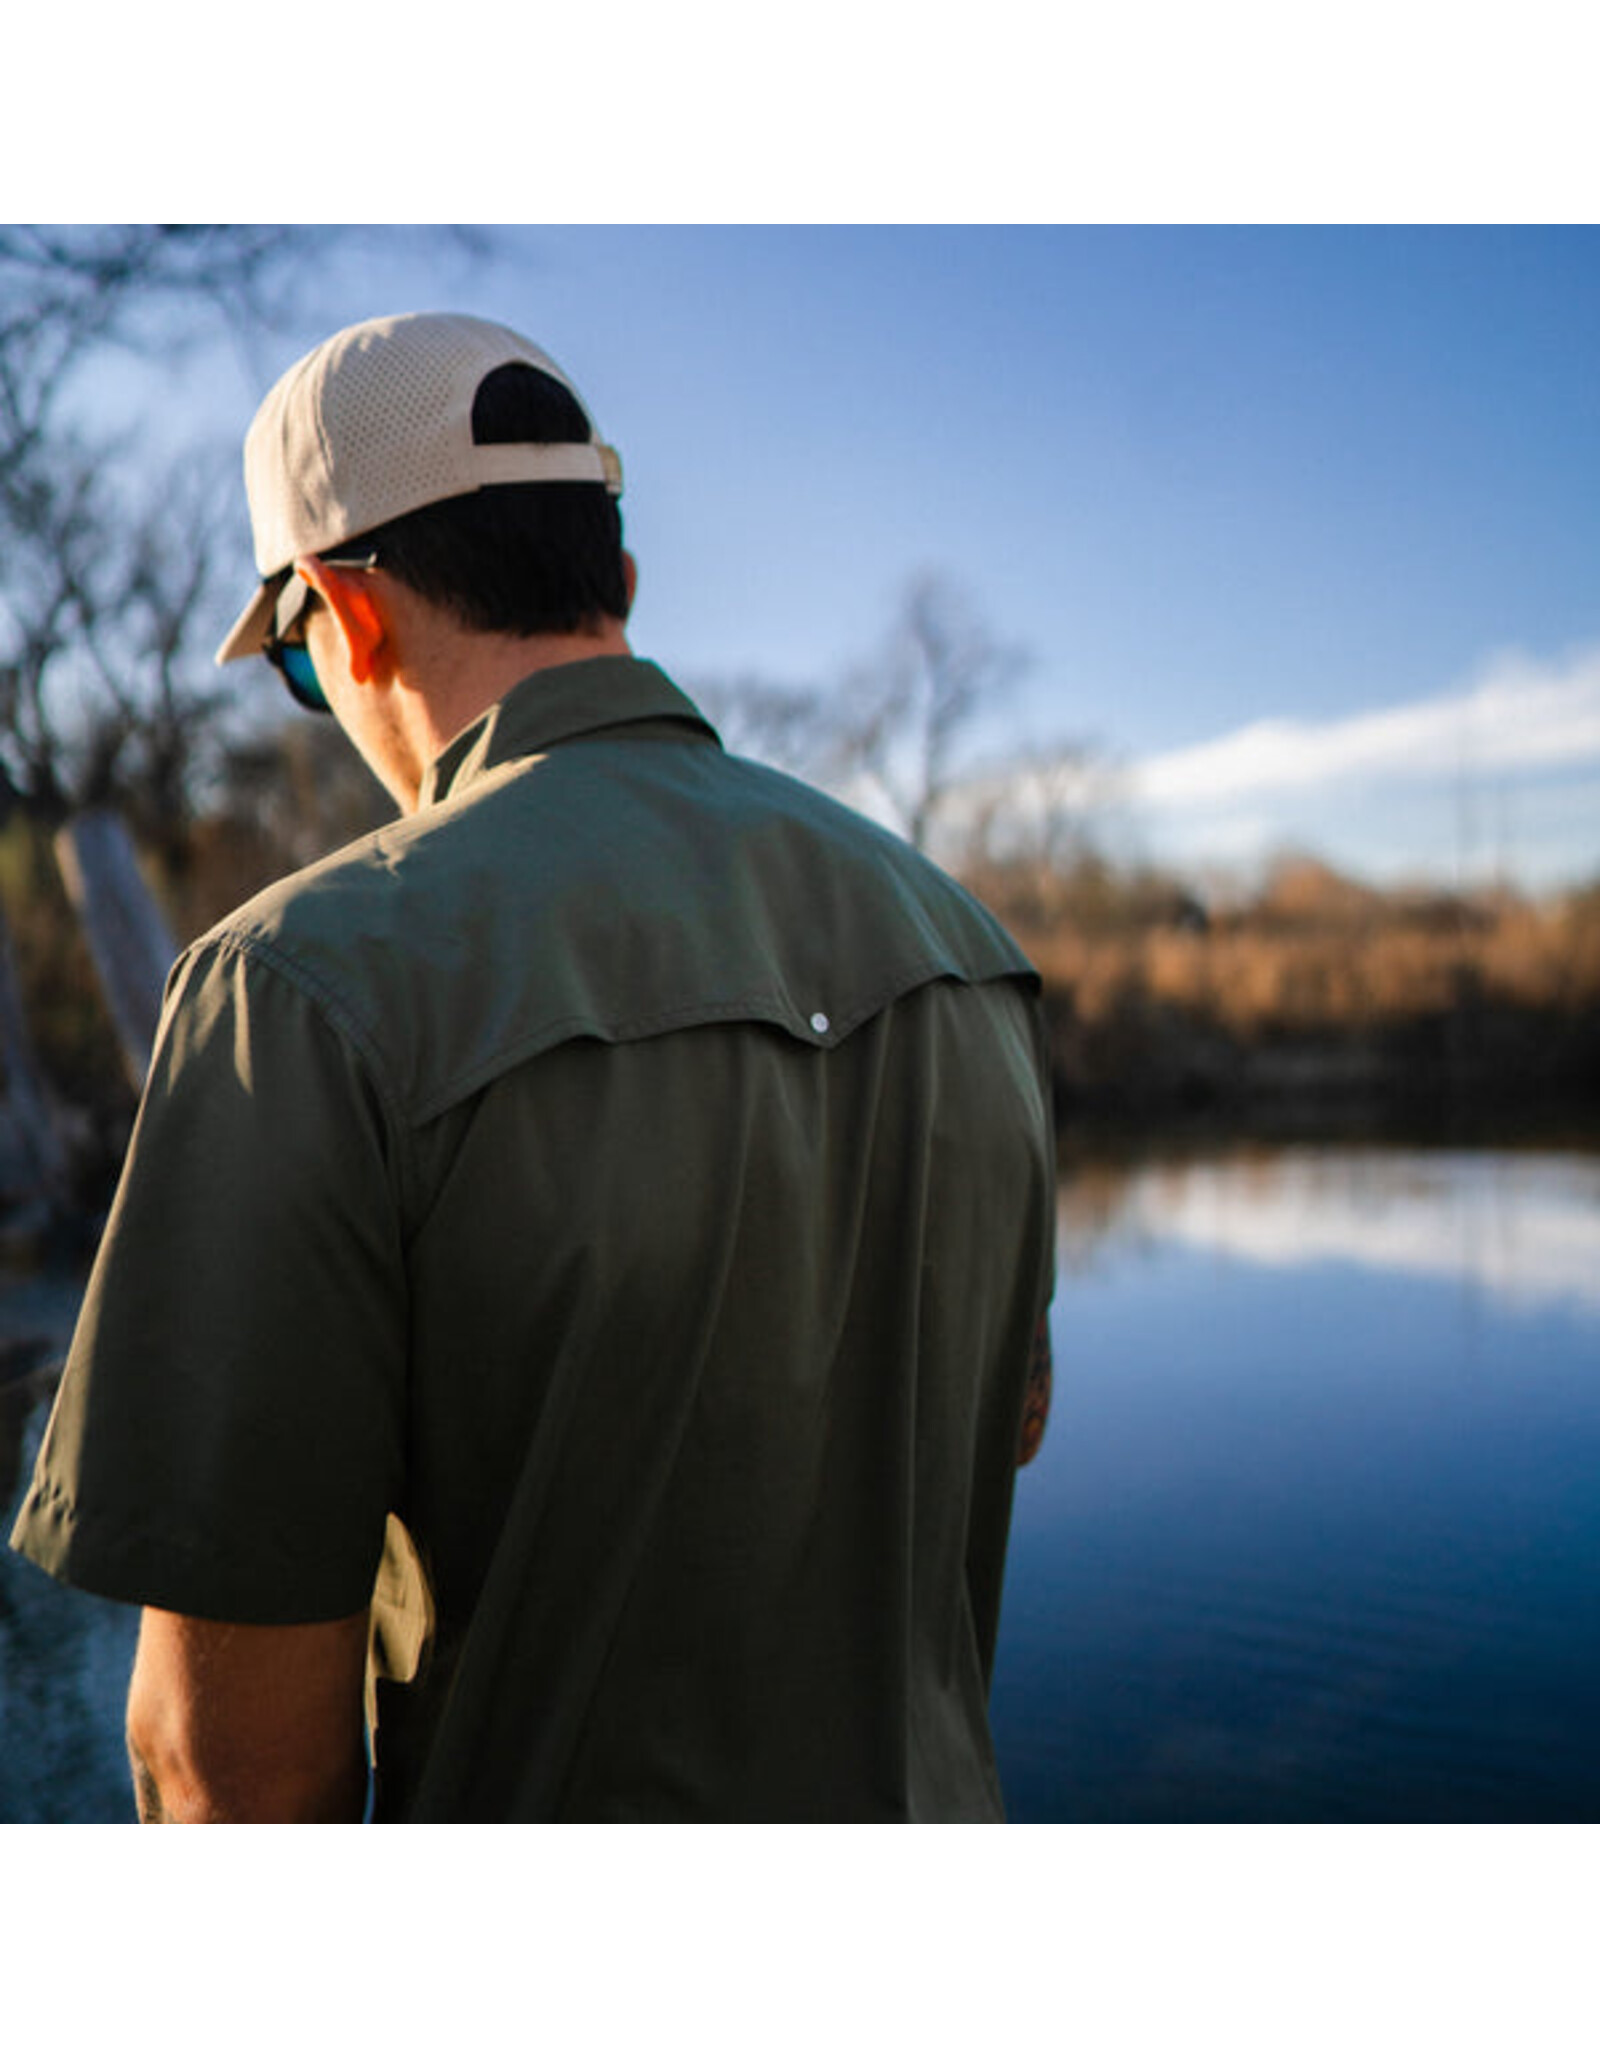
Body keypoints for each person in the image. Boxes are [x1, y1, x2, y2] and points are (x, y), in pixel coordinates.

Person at [9, 311, 1056, 1822]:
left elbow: (224, 1764)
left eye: (300, 667)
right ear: (616, 583)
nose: (323, 698)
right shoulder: (969, 946)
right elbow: (1006, 1417)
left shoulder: (293, 989)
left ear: (345, 615)